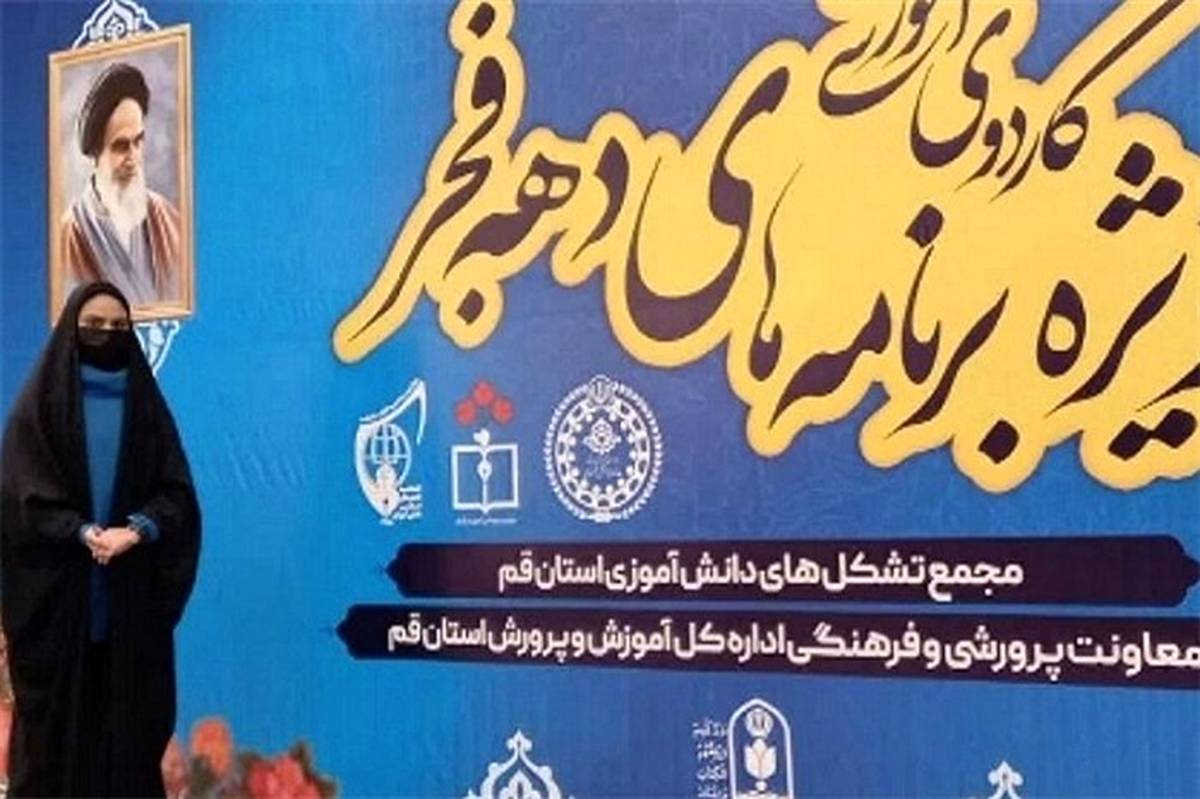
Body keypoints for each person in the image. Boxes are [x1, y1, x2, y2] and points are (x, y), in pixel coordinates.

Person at [1, 282, 200, 796]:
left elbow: (176, 497)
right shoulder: (38, 412)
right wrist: (83, 532)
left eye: (119, 327)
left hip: (129, 624)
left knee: (127, 758)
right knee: (51, 760)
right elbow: (22, 501)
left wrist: (137, 530)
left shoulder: (147, 412)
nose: (107, 336)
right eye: (93, 326)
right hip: (57, 623)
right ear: (70, 330)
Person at [60, 62, 182, 306]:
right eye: (121, 146)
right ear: (95, 153)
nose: (133, 157)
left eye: (139, 141)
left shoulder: (166, 218)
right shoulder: (69, 234)